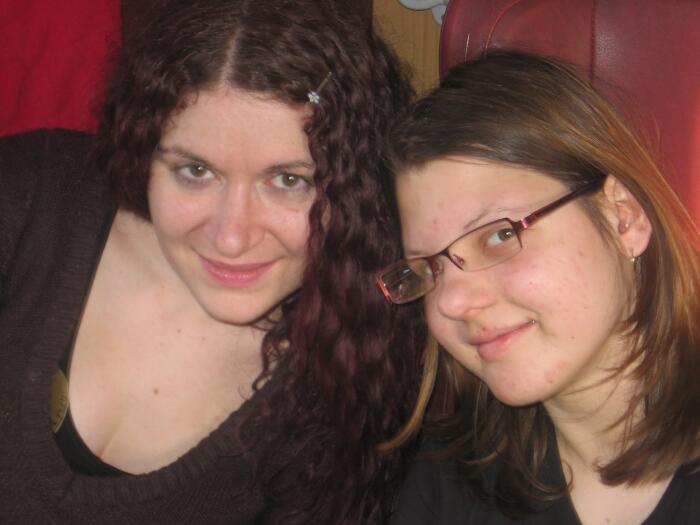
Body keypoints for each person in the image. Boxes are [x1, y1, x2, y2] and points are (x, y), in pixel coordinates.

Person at [0, 0, 426, 523]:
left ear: (355, 190)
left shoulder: (352, 373)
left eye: (288, 181)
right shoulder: (32, 199)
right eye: (196, 171)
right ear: (145, 146)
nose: (231, 238)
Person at [377, 51, 700, 524]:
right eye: (430, 269)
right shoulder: (444, 485)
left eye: (498, 235)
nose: (451, 302)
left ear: (623, 217)